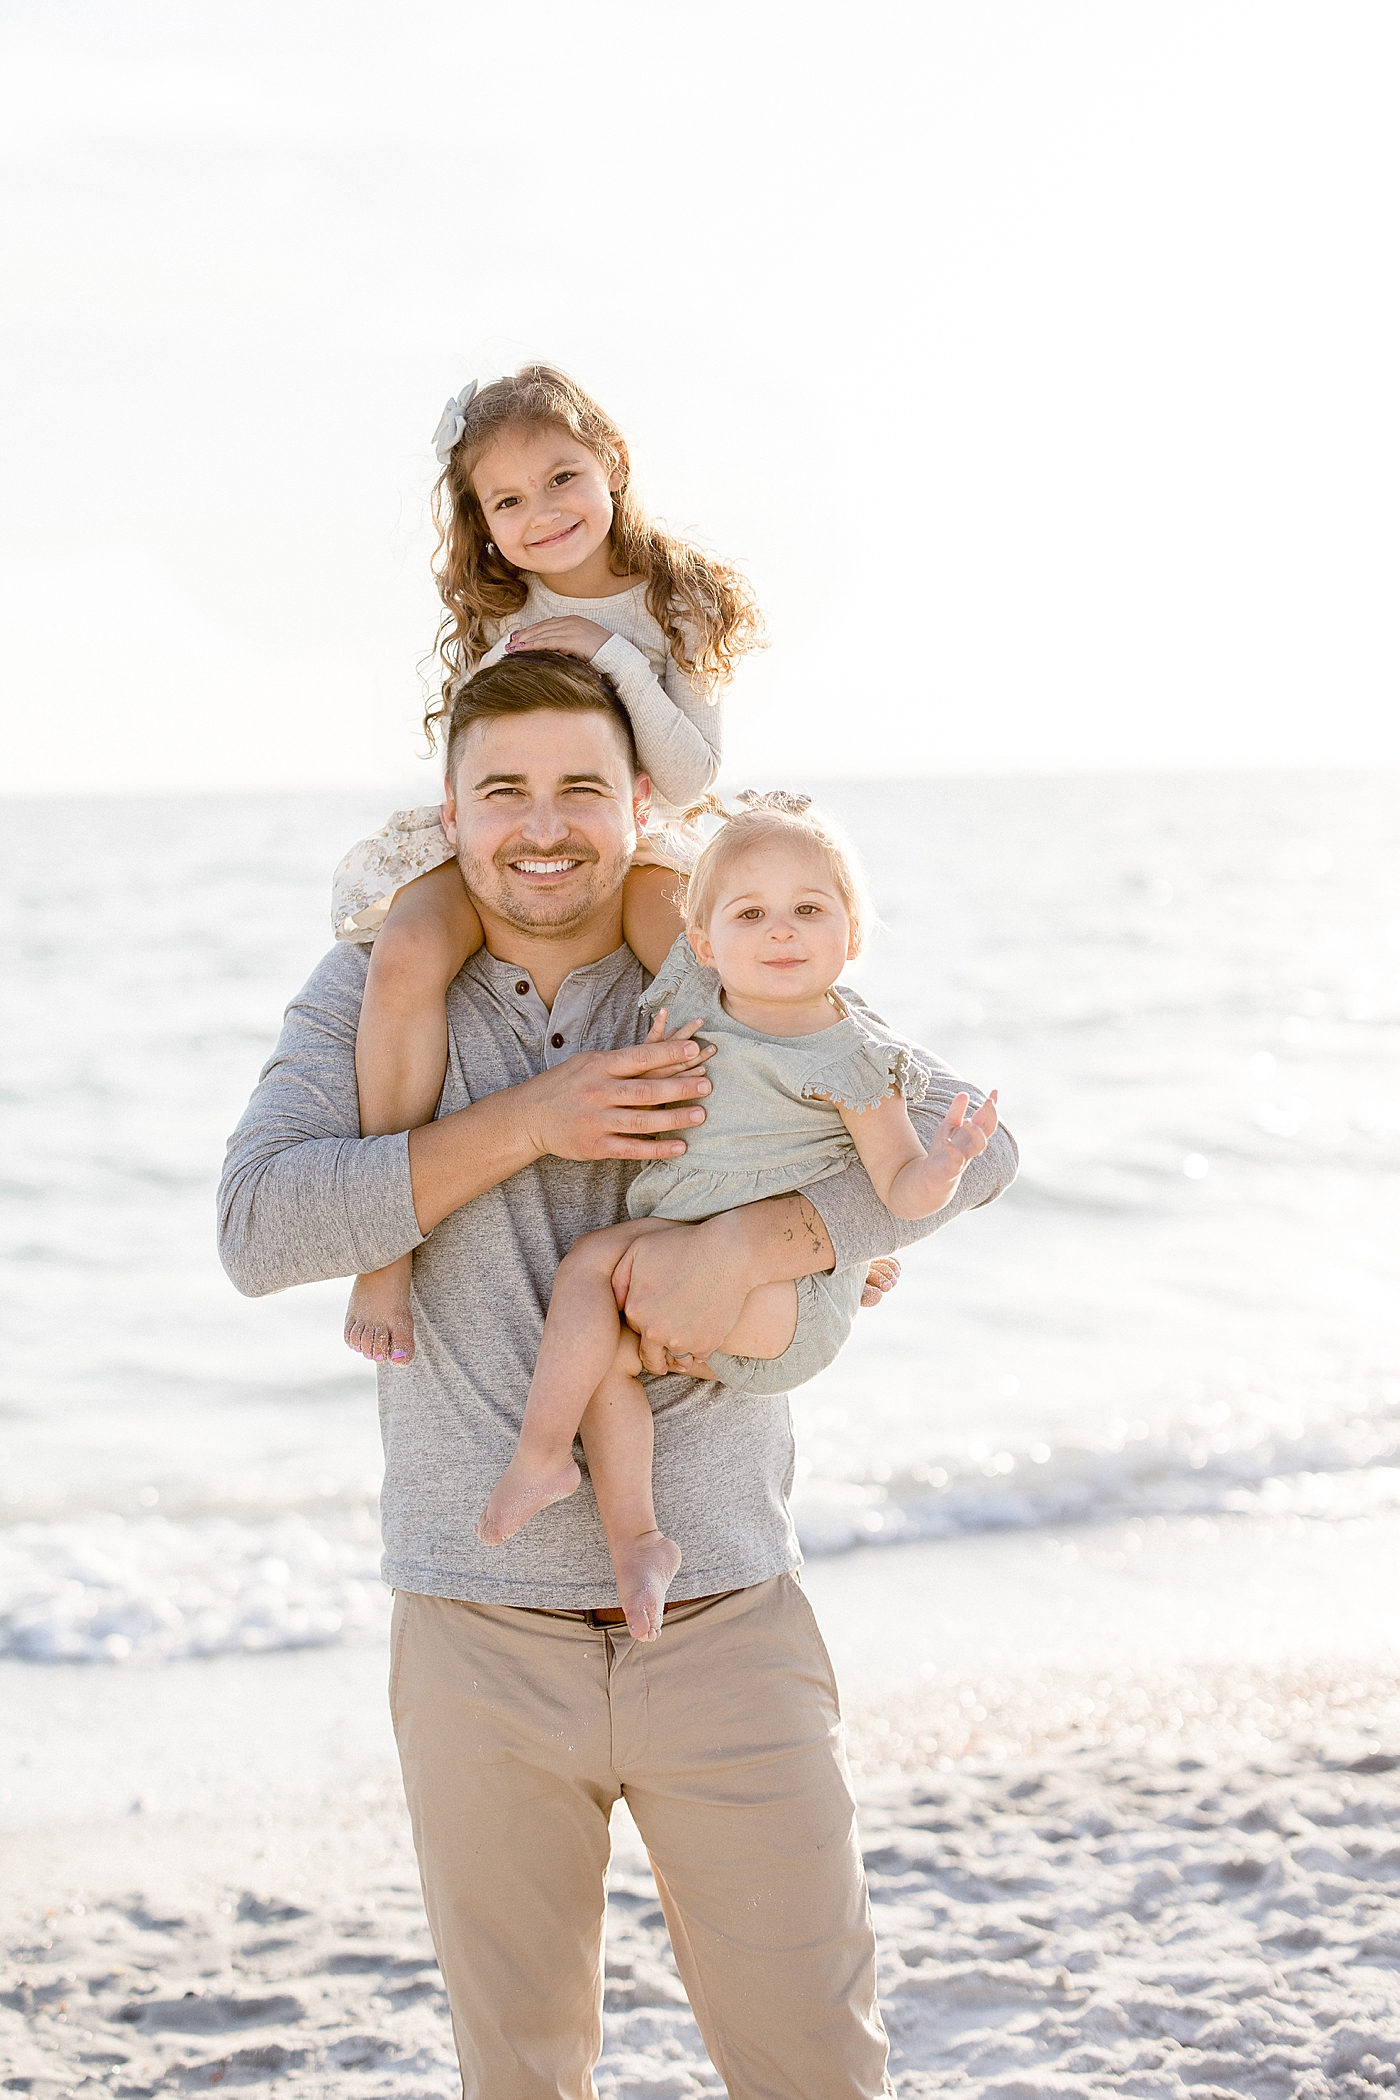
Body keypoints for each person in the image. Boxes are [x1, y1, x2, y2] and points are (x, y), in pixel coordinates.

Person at [217, 652, 1018, 2100]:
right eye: (501, 790)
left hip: (726, 1608)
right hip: (478, 1628)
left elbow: (978, 1144)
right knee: (521, 2076)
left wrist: (776, 1238)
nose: (542, 825)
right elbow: (259, 1227)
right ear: (450, 813)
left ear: (639, 802)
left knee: (817, 2069)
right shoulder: (371, 989)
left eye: (580, 787)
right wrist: (533, 1120)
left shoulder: (723, 957)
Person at [478, 790, 1001, 1640]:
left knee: (603, 1277)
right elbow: (655, 871)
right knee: (592, 1319)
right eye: (751, 914)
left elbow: (899, 1189)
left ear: (853, 936)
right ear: (705, 942)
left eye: (809, 910)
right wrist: (699, 816)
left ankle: (544, 1461)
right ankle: (632, 1537)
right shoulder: (695, 992)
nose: (781, 931)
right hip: (682, 1256)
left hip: (787, 1308)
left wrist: (940, 1165)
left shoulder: (853, 1057)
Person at [333, 365, 764, 1368]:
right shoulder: (502, 608)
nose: (543, 513)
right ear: (482, 523)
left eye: (562, 478)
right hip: (510, 831)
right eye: (509, 500)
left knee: (704, 973)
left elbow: (691, 770)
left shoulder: (675, 596)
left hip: (637, 827)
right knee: (402, 951)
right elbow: (481, 750)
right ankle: (384, 1245)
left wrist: (610, 659)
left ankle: (773, 1188)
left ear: (612, 463)